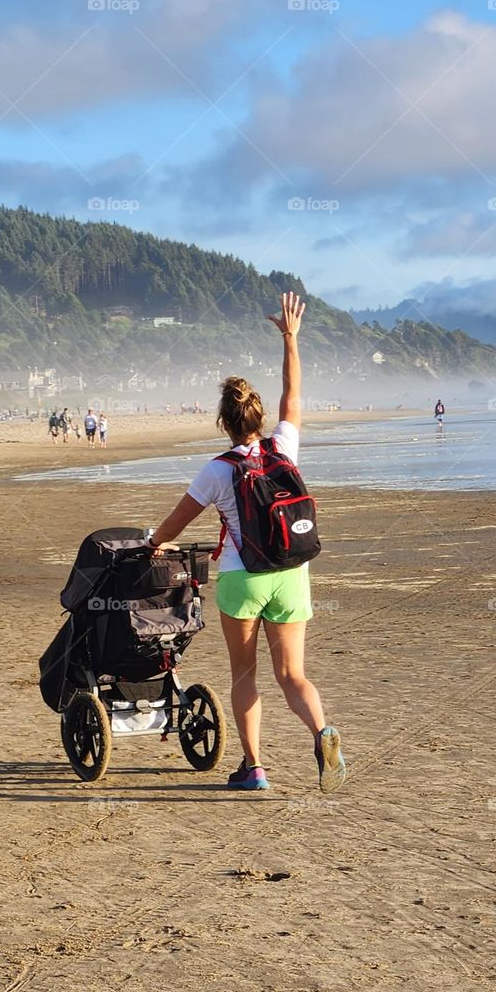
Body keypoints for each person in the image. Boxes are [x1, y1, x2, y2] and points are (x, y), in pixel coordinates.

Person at [148, 292, 345, 794]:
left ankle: (254, 767)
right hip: (291, 573)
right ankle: (322, 732)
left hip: (242, 578)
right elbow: (292, 393)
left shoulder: (217, 470)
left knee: (245, 675)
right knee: (292, 675)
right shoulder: (284, 444)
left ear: (223, 422)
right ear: (259, 418)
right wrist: (290, 338)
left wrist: (156, 543)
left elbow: (173, 525)